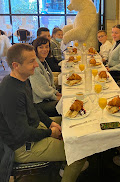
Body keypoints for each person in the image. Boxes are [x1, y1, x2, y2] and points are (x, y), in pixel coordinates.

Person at [0, 43, 86, 182]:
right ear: (16, 65)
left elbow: (33, 107)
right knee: (79, 153)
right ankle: (68, 164)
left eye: (35, 59)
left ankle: (63, 165)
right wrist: (50, 133)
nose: (36, 64)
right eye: (31, 61)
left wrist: (51, 122)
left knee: (72, 121)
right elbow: (23, 134)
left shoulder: (23, 80)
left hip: (34, 129)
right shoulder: (11, 93)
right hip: (22, 146)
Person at [30, 37, 61, 116]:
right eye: (41, 47)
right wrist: (56, 97)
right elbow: (42, 91)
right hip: (40, 103)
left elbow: (48, 85)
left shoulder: (43, 61)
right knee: (66, 105)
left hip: (47, 98)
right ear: (35, 49)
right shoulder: (35, 66)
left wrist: (57, 93)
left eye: (47, 46)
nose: (45, 49)